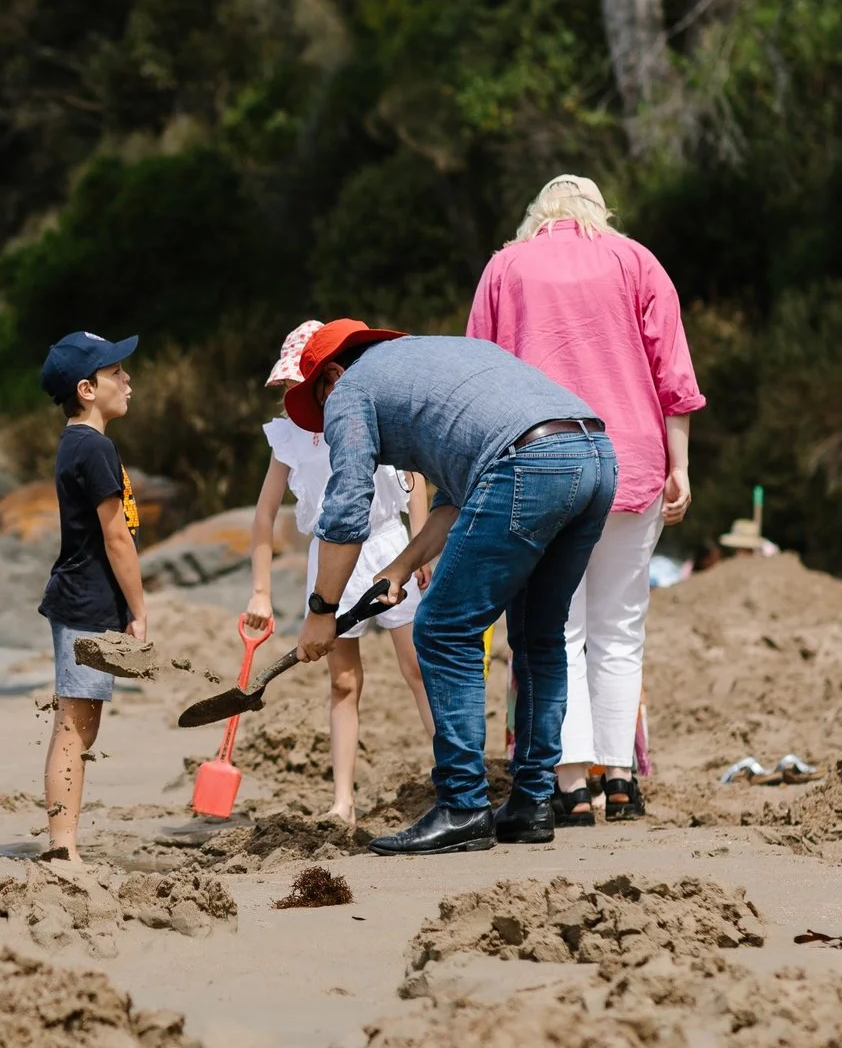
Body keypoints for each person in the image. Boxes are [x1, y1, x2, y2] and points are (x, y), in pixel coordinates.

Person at [276, 321, 615, 857]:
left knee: (440, 628)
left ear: (334, 374)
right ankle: (531, 803)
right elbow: (454, 499)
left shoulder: (353, 388)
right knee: (539, 635)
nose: (330, 420)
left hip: (527, 462)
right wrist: (401, 565)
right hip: (593, 451)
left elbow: (346, 507)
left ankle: (461, 805)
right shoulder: (438, 360)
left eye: (322, 401)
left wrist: (322, 609)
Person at [466, 175, 702, 826]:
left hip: (539, 461)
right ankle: (620, 777)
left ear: (537, 213)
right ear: (601, 212)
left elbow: (479, 378)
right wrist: (680, 465)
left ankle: (569, 782)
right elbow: (673, 376)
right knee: (621, 629)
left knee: (555, 631)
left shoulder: (505, 267)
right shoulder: (637, 261)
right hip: (632, 459)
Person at [242, 320, 434, 825]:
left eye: (297, 385)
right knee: (343, 681)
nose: (291, 396)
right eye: (286, 387)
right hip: (330, 560)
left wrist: (422, 549)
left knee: (419, 669)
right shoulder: (288, 435)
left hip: (389, 544)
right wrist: (261, 592)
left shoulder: (371, 406)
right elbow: (264, 515)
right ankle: (343, 801)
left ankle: (453, 778)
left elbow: (414, 481)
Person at [36, 330, 148, 861]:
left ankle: (64, 842)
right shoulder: (93, 446)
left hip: (85, 601)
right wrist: (140, 610)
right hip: (85, 603)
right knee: (75, 728)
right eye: (116, 372)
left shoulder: (80, 444)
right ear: (86, 388)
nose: (128, 379)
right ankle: (62, 848)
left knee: (81, 724)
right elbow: (116, 535)